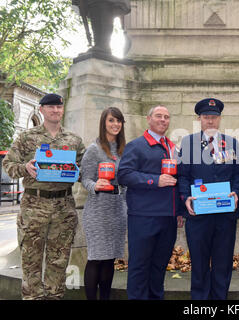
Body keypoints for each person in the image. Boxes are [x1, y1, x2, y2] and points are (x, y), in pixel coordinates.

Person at [3, 93, 85, 300]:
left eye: (58, 107)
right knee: (31, 260)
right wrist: (25, 168)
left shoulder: (73, 140)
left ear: (62, 109)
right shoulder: (26, 138)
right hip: (34, 206)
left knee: (59, 260)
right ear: (41, 109)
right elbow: (8, 166)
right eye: (50, 107)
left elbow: (85, 170)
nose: (55, 111)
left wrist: (78, 171)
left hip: (63, 207)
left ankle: (54, 296)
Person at [178, 98, 239, 300]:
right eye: (206, 117)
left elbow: (238, 175)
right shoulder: (188, 143)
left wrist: (236, 192)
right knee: (199, 263)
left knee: (223, 264)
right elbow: (182, 175)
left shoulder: (232, 143)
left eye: (214, 117)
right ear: (199, 119)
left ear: (220, 119)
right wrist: (186, 197)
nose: (210, 121)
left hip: (225, 215)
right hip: (199, 214)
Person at [117, 105, 184, 300]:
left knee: (159, 267)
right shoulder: (136, 146)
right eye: (159, 116)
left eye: (166, 117)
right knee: (139, 267)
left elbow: (178, 181)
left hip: (168, 218)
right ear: (149, 119)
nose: (163, 120)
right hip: (143, 217)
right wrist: (155, 180)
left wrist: (179, 210)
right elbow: (124, 175)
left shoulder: (173, 148)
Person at [80, 107, 127, 300]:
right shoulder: (94, 149)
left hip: (118, 209)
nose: (115, 125)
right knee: (96, 259)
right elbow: (85, 178)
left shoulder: (125, 149)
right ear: (103, 123)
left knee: (110, 259)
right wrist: (95, 185)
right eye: (111, 121)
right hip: (98, 210)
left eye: (118, 121)